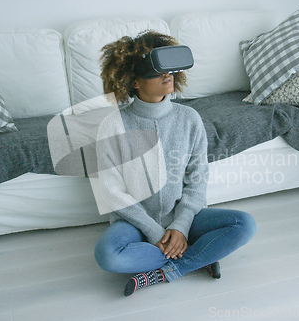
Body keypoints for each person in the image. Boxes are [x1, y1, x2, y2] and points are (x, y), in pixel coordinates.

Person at [94, 30, 256, 296]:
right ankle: (199, 255)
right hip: (134, 223)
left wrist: (180, 226)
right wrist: (154, 231)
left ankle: (172, 269)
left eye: (169, 69)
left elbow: (197, 179)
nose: (167, 75)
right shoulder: (112, 125)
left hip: (185, 216)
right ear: (134, 81)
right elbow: (111, 192)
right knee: (107, 255)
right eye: (156, 72)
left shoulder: (189, 119)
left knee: (245, 224)